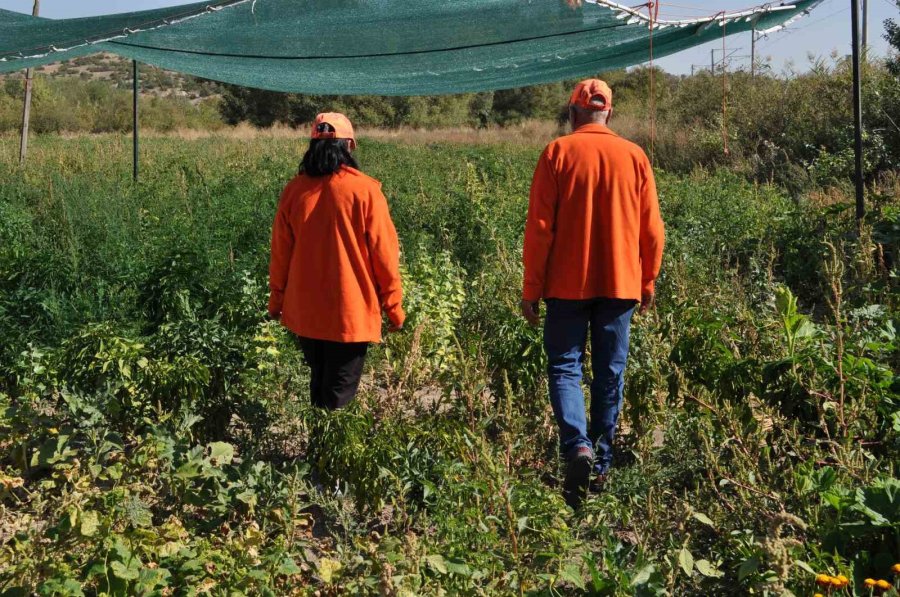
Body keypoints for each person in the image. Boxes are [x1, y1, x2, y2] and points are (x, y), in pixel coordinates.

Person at [521, 80, 665, 508]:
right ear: (609, 114)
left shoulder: (557, 153)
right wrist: (647, 281)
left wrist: (531, 289)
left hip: (565, 285)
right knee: (609, 373)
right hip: (620, 284)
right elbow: (652, 229)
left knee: (565, 368)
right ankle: (600, 466)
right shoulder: (635, 156)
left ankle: (577, 446)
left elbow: (540, 229)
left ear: (572, 113)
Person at [269, 112, 405, 410]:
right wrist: (394, 308)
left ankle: (317, 437)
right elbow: (384, 256)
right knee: (338, 397)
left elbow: (280, 254)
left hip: (305, 312)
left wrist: (276, 302)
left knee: (319, 384)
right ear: (349, 146)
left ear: (312, 146)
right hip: (349, 312)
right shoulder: (365, 191)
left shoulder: (294, 190)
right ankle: (327, 440)